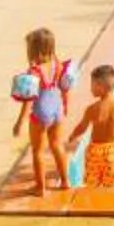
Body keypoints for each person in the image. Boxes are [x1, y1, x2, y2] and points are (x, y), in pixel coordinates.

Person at [11, 28, 73, 195]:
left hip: (41, 112)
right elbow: (64, 87)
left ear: (34, 51)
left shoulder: (34, 72)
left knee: (37, 151)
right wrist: (66, 104)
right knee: (57, 145)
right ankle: (65, 181)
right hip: (56, 108)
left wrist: (20, 123)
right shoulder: (57, 64)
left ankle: (41, 188)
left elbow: (29, 100)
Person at [64, 63, 114, 189]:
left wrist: (72, 136)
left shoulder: (92, 109)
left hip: (96, 152)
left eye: (92, 85)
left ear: (100, 87)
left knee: (92, 187)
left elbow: (82, 128)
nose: (90, 89)